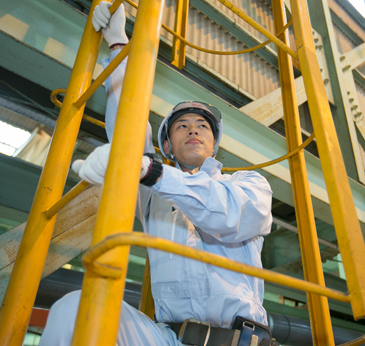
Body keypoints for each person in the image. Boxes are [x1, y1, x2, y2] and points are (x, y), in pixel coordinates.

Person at [39, 3, 273, 346]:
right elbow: (129, 131)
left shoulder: (248, 186)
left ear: (214, 143)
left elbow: (228, 214)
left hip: (239, 342)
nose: (193, 131)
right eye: (181, 126)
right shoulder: (154, 194)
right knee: (74, 308)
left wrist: (149, 171)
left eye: (202, 126)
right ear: (167, 144)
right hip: (168, 339)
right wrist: (118, 43)